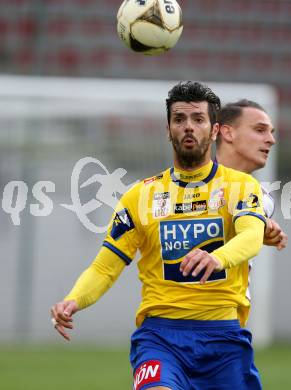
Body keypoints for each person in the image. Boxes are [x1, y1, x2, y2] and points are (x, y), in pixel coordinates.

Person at [51, 81, 268, 390]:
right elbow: (104, 267)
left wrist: (216, 257)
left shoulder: (241, 186)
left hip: (224, 339)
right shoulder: (140, 196)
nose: (188, 127)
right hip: (161, 339)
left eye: (197, 119)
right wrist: (73, 300)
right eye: (179, 119)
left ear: (215, 129)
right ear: (168, 129)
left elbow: (251, 237)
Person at [216, 99, 287, 250]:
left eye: (271, 132)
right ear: (228, 133)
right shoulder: (186, 183)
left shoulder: (263, 198)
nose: (271, 140)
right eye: (260, 130)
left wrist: (258, 223)